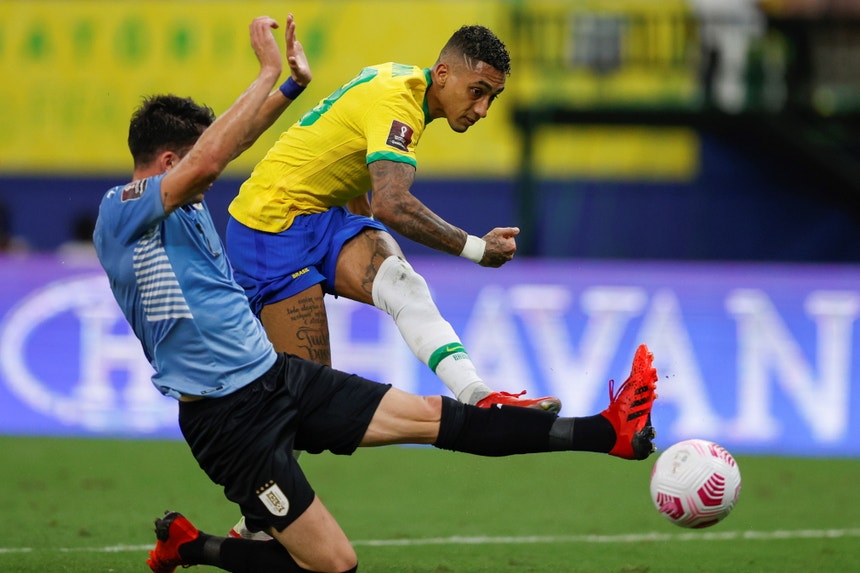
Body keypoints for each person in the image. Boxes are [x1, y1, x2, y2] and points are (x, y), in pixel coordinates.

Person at [93, 13, 659, 573]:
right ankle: (206, 543)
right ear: (170, 163)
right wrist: (267, 74)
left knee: (435, 404)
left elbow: (231, 148)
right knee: (329, 554)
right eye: (478, 93)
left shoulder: (189, 204)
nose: (484, 108)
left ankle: (590, 427)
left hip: (281, 357)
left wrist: (290, 87)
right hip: (232, 398)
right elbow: (216, 158)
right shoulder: (122, 212)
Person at [225, 24, 562, 414]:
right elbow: (392, 204)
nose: (483, 109)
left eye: (492, 97)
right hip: (269, 229)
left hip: (321, 215)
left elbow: (345, 151)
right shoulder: (398, 105)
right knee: (310, 406)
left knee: (404, 285)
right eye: (477, 91)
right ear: (443, 74)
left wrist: (363, 232)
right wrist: (477, 249)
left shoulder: (399, 79)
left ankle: (480, 398)